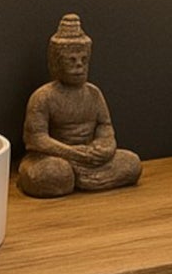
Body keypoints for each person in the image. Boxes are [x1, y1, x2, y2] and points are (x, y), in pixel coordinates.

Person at [16, 14, 142, 197]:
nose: (79, 66)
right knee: (54, 173)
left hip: (90, 157)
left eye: (84, 60)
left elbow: (105, 126)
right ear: (57, 63)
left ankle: (79, 180)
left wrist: (104, 147)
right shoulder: (43, 96)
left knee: (132, 162)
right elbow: (35, 139)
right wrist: (72, 153)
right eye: (72, 60)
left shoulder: (93, 93)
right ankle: (72, 179)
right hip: (56, 157)